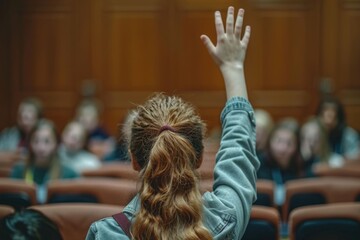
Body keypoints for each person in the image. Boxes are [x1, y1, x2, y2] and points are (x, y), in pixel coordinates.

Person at [86, 6, 259, 239]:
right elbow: (238, 151)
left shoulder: (105, 234)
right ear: (198, 158)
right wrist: (233, 69)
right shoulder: (224, 220)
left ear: (135, 160)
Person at [10, 119, 79, 203]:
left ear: (56, 144)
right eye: (36, 141)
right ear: (30, 143)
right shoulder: (18, 171)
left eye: (47, 141)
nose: (41, 147)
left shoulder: (70, 175)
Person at [257, 118, 303, 205]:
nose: (282, 148)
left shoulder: (302, 167)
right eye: (278, 141)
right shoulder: (258, 165)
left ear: (297, 146)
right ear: (269, 141)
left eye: (289, 143)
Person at [0, 97, 43, 166]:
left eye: (28, 118)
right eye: (21, 117)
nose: (24, 122)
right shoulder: (8, 134)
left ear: (38, 118)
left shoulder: (45, 135)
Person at [316, 96, 360, 161]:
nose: (328, 117)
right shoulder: (315, 134)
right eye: (325, 111)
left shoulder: (349, 135)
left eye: (332, 113)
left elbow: (355, 159)